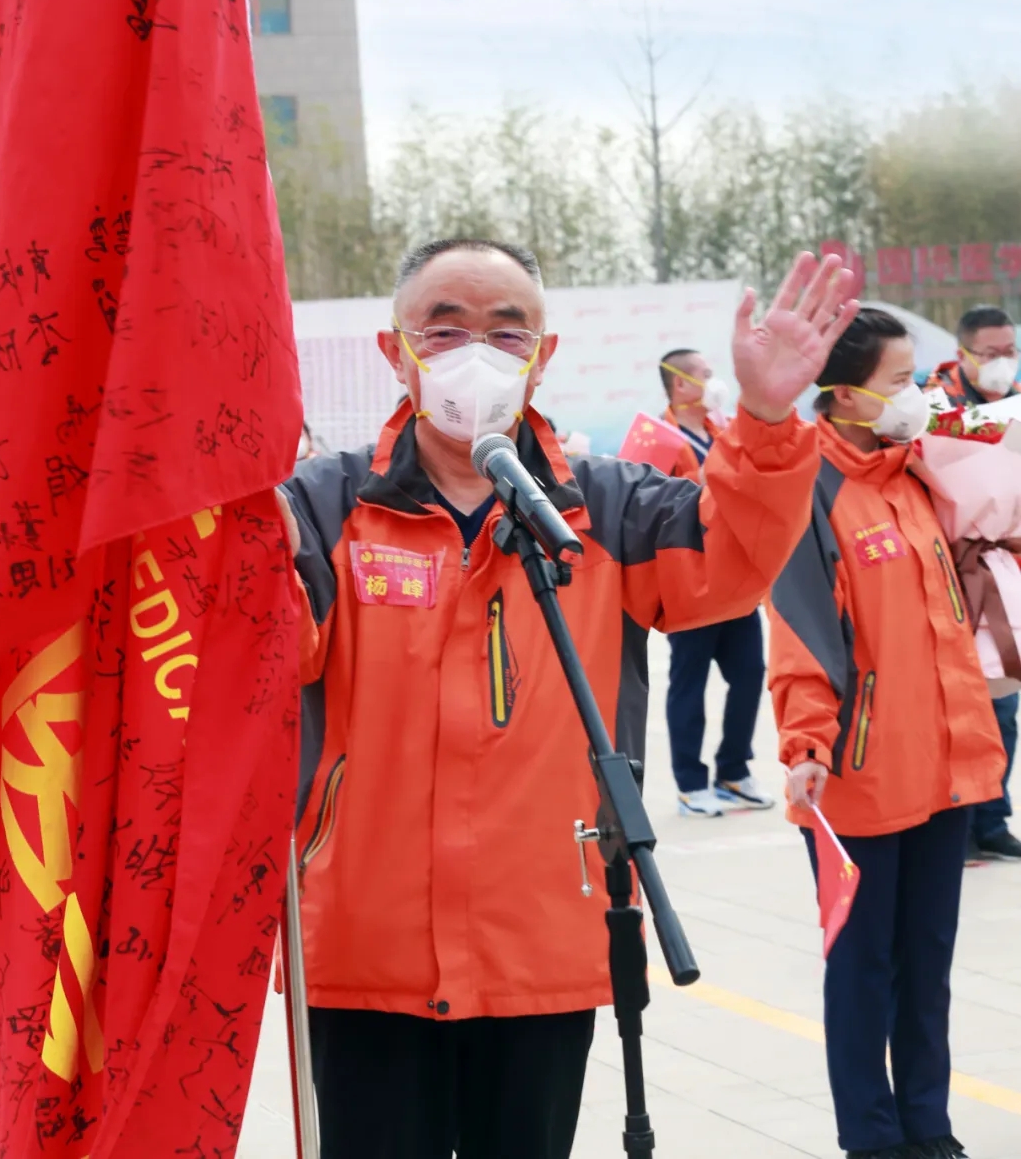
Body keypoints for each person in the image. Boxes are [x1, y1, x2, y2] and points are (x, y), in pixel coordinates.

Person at [276, 238, 857, 1159]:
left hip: (543, 937)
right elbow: (270, 649)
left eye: (508, 333)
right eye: (445, 330)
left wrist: (768, 417)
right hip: (364, 947)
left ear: (543, 357)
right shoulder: (322, 504)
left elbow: (732, 566)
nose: (477, 353)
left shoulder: (607, 509)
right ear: (397, 350)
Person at [769, 307, 1005, 1159]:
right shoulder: (809, 492)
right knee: (864, 968)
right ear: (843, 394)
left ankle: (928, 1124)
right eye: (901, 381)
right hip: (860, 778)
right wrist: (806, 747)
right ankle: (871, 1136)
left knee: (928, 962)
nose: (919, 395)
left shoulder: (916, 476)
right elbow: (800, 638)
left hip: (947, 765)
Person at [922, 305, 1021, 863]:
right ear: (962, 353)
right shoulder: (932, 406)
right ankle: (952, 823)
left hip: (1003, 566)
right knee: (953, 708)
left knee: (1003, 702)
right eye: (990, 353)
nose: (1002, 362)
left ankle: (991, 819)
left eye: (1010, 351)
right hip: (949, 570)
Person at [657, 349, 773, 817]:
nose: (713, 382)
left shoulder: (721, 430)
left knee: (749, 674)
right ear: (680, 385)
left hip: (737, 577)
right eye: (705, 375)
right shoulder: (658, 438)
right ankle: (690, 783)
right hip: (690, 580)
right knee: (690, 681)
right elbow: (647, 505)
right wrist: (703, 481)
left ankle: (734, 770)